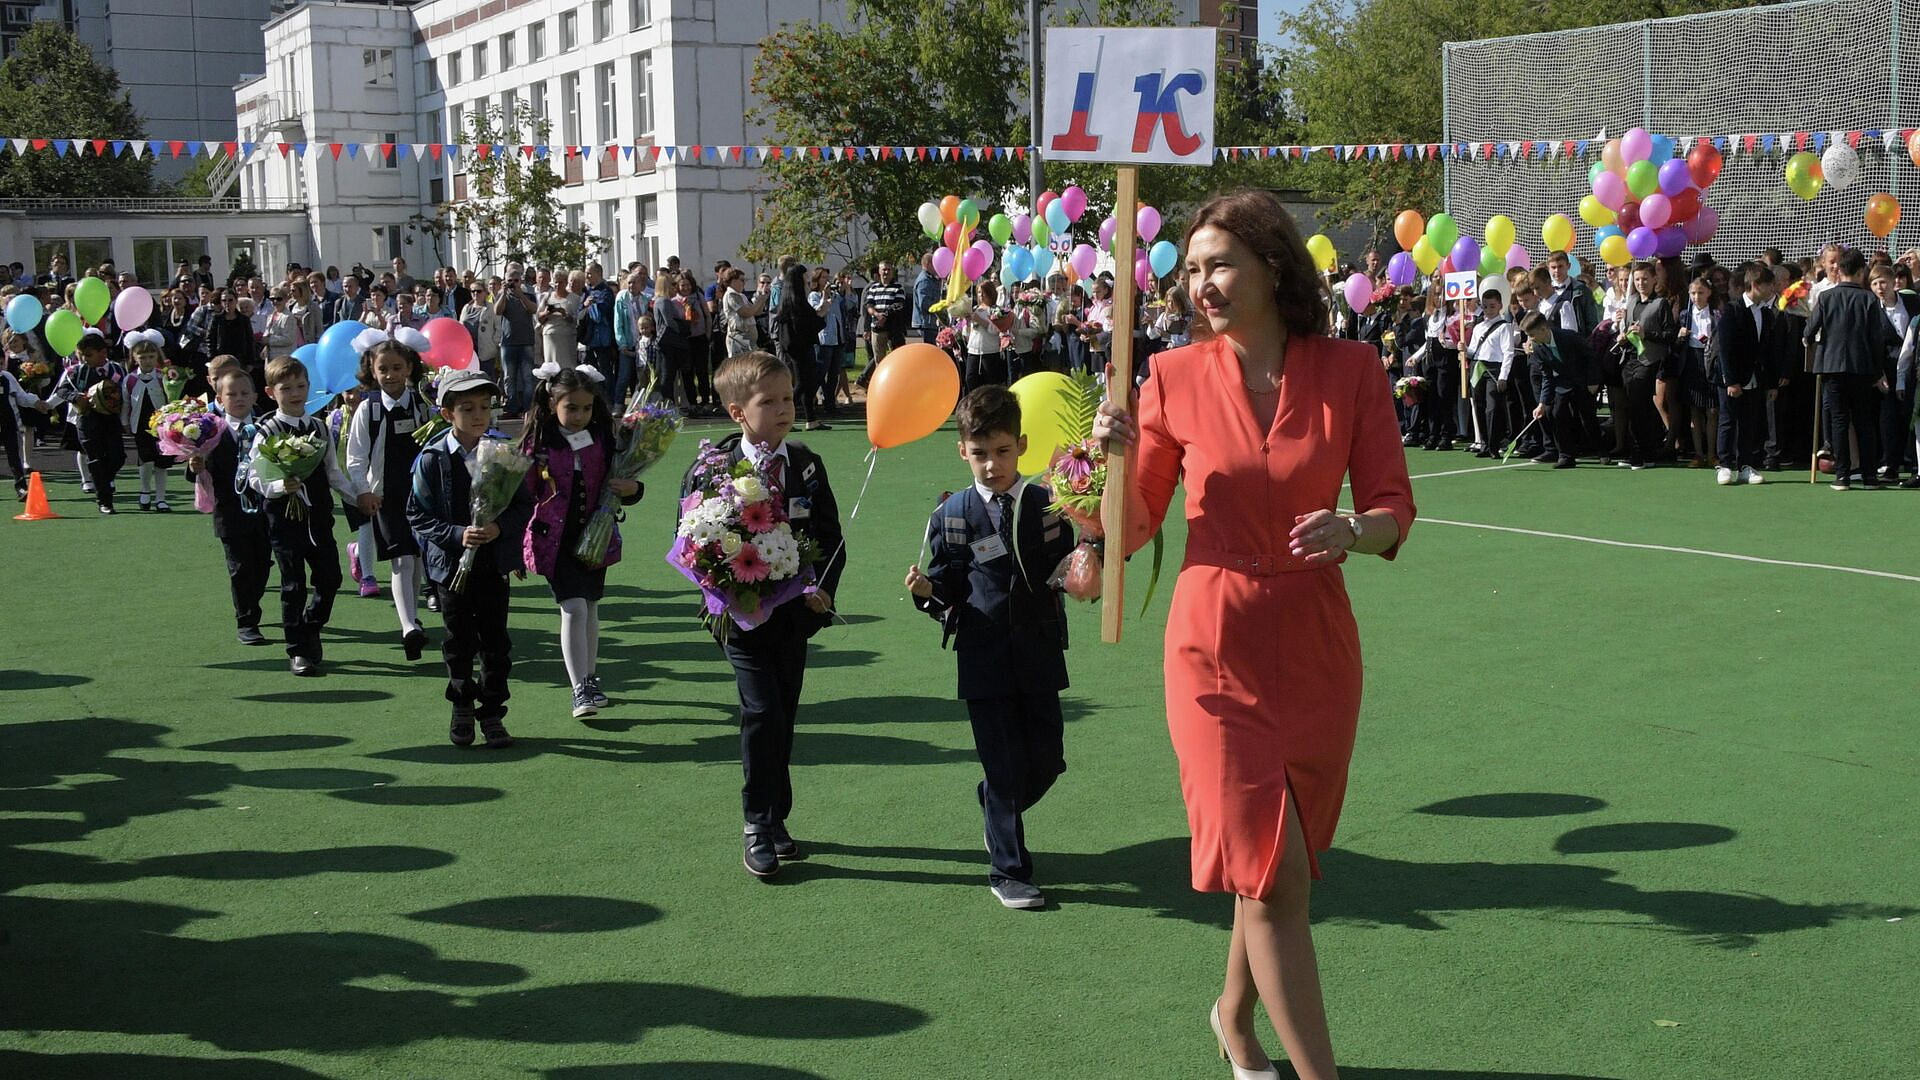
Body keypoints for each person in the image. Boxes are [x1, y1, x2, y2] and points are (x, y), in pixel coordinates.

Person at [1092, 190, 1414, 1080]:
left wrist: (1354, 529)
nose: (1202, 284)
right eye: (1190, 269)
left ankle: (1234, 1021)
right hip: (1215, 649)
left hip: (1316, 646)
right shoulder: (1169, 378)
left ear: (1274, 266)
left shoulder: (1352, 369)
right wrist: (1110, 458)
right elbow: (1128, 532)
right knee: (1270, 879)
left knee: (1282, 864)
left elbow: (1394, 505)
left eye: (1220, 264)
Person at [905, 386, 1077, 910]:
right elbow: (945, 589)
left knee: (1046, 760)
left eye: (1002, 452)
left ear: (1021, 446)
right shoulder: (951, 515)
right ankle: (1009, 870)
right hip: (981, 658)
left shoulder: (1050, 503)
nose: (991, 465)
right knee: (1002, 767)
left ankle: (994, 807)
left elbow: (1075, 563)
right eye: (980, 453)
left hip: (1041, 653)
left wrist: (1096, 549)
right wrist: (928, 594)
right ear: (963, 451)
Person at [682, 351, 846, 879]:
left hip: (794, 616)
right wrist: (726, 589)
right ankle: (756, 821)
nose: (782, 410)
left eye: (788, 399)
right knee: (761, 711)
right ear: (737, 412)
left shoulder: (805, 462)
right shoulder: (712, 467)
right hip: (741, 618)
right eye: (768, 402)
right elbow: (690, 541)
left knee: (785, 711)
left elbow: (830, 536)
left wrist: (821, 592)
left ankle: (777, 818)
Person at [408, 369, 533, 748]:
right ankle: (461, 703)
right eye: (467, 408)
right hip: (450, 568)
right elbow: (417, 514)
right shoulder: (431, 459)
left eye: (484, 407)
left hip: (492, 566)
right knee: (459, 641)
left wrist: (499, 529)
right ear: (447, 414)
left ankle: (493, 712)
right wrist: (456, 535)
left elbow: (522, 505)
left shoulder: (502, 453)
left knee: (496, 642)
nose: (479, 415)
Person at [520, 365, 642, 718]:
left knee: (589, 607)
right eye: (571, 407)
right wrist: (514, 547)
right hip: (553, 539)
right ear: (552, 402)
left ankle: (590, 679)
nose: (579, 415)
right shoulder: (538, 443)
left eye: (586, 408)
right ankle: (579, 688)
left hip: (595, 537)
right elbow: (522, 494)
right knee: (572, 607)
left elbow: (623, 480)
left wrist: (633, 489)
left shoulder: (603, 437)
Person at [246, 356, 372, 676]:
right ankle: (297, 650)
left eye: (300, 386)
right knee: (293, 585)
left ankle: (311, 626)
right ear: (270, 391)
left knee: (330, 578)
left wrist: (357, 497)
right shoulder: (266, 430)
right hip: (283, 520)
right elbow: (254, 476)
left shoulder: (318, 426)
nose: (294, 393)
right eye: (285, 388)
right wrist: (279, 485)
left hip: (318, 517)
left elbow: (333, 472)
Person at [344, 336, 437, 660]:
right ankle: (408, 625)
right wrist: (364, 491)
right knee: (401, 559)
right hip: (386, 496)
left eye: (397, 368)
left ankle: (413, 617)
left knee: (414, 559)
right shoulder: (367, 409)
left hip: (422, 496)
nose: (390, 374)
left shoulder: (423, 404)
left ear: (410, 367)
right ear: (372, 369)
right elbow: (355, 457)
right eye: (383, 368)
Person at [185, 368, 274, 645]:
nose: (239, 398)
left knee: (261, 566)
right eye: (231, 394)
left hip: (264, 510)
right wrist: (195, 464)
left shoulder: (267, 426)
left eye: (245, 393)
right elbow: (195, 470)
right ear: (219, 399)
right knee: (239, 567)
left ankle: (252, 603)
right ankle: (246, 621)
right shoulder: (210, 432)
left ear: (255, 396)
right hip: (229, 512)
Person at [1804, 247, 1890, 491]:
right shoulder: (1869, 299)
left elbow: (1809, 331)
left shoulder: (1827, 298)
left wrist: (1808, 340)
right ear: (1862, 271)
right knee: (1864, 421)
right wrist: (1877, 371)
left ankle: (1842, 476)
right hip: (1862, 368)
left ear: (1839, 270)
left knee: (1839, 421)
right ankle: (1869, 476)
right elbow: (1876, 339)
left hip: (1832, 367)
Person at [1710, 264, 1782, 486]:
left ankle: (1746, 465)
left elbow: (1769, 351)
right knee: (1728, 420)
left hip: (1755, 377)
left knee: (1750, 422)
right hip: (1732, 378)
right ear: (1754, 285)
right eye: (1768, 284)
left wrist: (1771, 383)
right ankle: (1724, 464)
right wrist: (1731, 380)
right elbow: (1726, 348)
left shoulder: (1767, 314)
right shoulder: (1732, 310)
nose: (1772, 288)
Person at [51, 331, 127, 511]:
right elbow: (61, 391)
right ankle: (104, 501)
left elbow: (126, 391)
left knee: (118, 456)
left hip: (110, 421)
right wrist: (75, 397)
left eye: (89, 355)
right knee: (95, 459)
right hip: (87, 421)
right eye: (82, 355)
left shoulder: (117, 369)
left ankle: (101, 481)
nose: (85, 359)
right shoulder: (77, 371)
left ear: (103, 353)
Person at [1523, 310, 1601, 469]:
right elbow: (1547, 376)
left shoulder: (1569, 337)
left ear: (1544, 329)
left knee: (1587, 418)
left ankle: (1601, 451)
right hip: (1563, 383)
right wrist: (1542, 403)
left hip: (1583, 381)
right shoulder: (1538, 348)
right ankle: (1566, 456)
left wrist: (1593, 381)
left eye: (1532, 334)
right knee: (1557, 414)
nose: (1530, 339)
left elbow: (1591, 355)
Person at [1871, 263, 1919, 484]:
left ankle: (1913, 465)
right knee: (1888, 419)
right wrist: (1877, 374)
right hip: (1887, 372)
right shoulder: (1872, 310)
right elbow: (1870, 345)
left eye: (1883, 282)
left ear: (1893, 283)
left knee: (1913, 416)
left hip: (1915, 369)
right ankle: (1890, 465)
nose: (1879, 288)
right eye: (1874, 283)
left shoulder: (1912, 302)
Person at [119, 331, 175, 512]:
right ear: (135, 358)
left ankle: (160, 498)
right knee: (145, 459)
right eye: (142, 357)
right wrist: (125, 422)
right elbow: (126, 403)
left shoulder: (163, 377)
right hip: (140, 424)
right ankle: (144, 491)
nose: (148, 361)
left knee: (161, 461)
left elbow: (170, 398)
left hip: (161, 425)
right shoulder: (130, 379)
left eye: (151, 356)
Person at [1669, 275, 1720, 469]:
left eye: (1700, 292)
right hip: (1691, 361)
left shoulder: (1716, 314)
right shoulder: (1684, 315)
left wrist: (1712, 342)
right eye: (1693, 293)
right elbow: (1675, 343)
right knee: (1694, 410)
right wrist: (1680, 336)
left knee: (1712, 410)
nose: (1696, 296)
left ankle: (1712, 453)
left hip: (1710, 361)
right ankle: (1698, 453)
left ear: (1709, 293)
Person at [776, 263, 825, 430]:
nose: (807, 279)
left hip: (796, 346)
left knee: (809, 382)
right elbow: (805, 325)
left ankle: (811, 418)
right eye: (804, 276)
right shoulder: (797, 301)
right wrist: (821, 314)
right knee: (803, 383)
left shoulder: (791, 299)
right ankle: (782, 415)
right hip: (800, 346)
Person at [495, 263, 539, 417]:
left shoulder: (528, 293)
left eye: (516, 280)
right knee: (509, 377)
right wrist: (503, 292)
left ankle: (528, 408)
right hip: (508, 342)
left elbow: (533, 309)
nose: (513, 283)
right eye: (510, 280)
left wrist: (520, 294)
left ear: (520, 281)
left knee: (527, 377)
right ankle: (512, 408)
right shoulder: (502, 295)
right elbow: (497, 311)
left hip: (526, 341)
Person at [857, 260, 908, 388]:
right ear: (879, 272)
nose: (886, 272)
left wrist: (885, 315)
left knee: (898, 360)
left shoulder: (898, 287)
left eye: (888, 269)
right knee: (879, 361)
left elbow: (899, 304)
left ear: (892, 272)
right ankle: (881, 386)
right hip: (877, 329)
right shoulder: (873, 288)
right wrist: (875, 314)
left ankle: (897, 385)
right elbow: (868, 305)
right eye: (883, 270)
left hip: (893, 330)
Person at [579, 262, 619, 380]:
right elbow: (579, 312)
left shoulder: (606, 292)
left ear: (598, 273)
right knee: (590, 372)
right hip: (589, 339)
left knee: (604, 372)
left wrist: (591, 306)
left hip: (602, 340)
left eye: (589, 273)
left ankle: (607, 397)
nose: (586, 276)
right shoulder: (586, 292)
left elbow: (600, 314)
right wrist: (585, 305)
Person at [461, 280, 502, 382]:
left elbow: (499, 327)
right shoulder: (466, 308)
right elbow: (460, 326)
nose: (475, 293)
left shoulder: (491, 308)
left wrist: (494, 342)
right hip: (469, 351)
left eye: (479, 291)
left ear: (485, 292)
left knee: (487, 379)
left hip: (486, 351)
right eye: (473, 291)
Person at [721, 267, 764, 359]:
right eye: (742, 280)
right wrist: (760, 301)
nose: (744, 283)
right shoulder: (731, 295)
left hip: (748, 338)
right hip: (739, 337)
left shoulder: (741, 296)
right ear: (733, 280)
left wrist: (763, 297)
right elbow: (746, 313)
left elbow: (756, 312)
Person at [911, 251, 943, 345]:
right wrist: (941, 308)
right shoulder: (924, 281)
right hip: (926, 323)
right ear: (928, 264)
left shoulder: (931, 279)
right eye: (935, 264)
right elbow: (924, 303)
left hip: (929, 323)